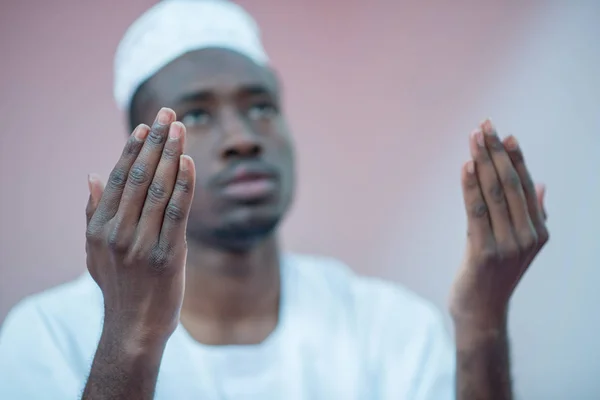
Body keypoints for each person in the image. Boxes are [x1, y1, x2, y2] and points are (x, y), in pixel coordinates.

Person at [0, 1, 549, 399]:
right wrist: (129, 335)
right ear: (138, 156)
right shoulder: (50, 334)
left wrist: (483, 322)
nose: (243, 136)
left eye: (261, 106)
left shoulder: (387, 327)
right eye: (196, 114)